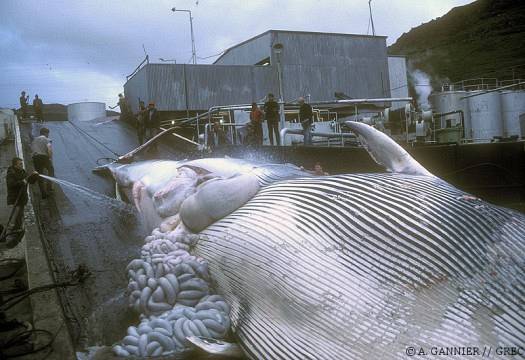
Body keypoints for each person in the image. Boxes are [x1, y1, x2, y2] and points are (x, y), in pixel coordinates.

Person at [4, 157, 39, 237]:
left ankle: (17, 231)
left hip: (21, 199)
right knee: (14, 218)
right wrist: (22, 182)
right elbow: (11, 184)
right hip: (14, 200)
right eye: (20, 164)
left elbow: (29, 181)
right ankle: (8, 235)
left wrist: (34, 176)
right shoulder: (11, 173)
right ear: (15, 165)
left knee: (20, 216)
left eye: (22, 163)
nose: (22, 165)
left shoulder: (22, 171)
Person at [31, 127, 54, 198]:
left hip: (35, 158)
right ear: (45, 133)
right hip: (43, 157)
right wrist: (50, 157)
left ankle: (43, 193)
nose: (48, 135)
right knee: (51, 170)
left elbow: (32, 149)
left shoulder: (34, 140)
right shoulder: (46, 139)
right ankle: (49, 187)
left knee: (39, 175)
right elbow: (49, 149)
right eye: (48, 134)